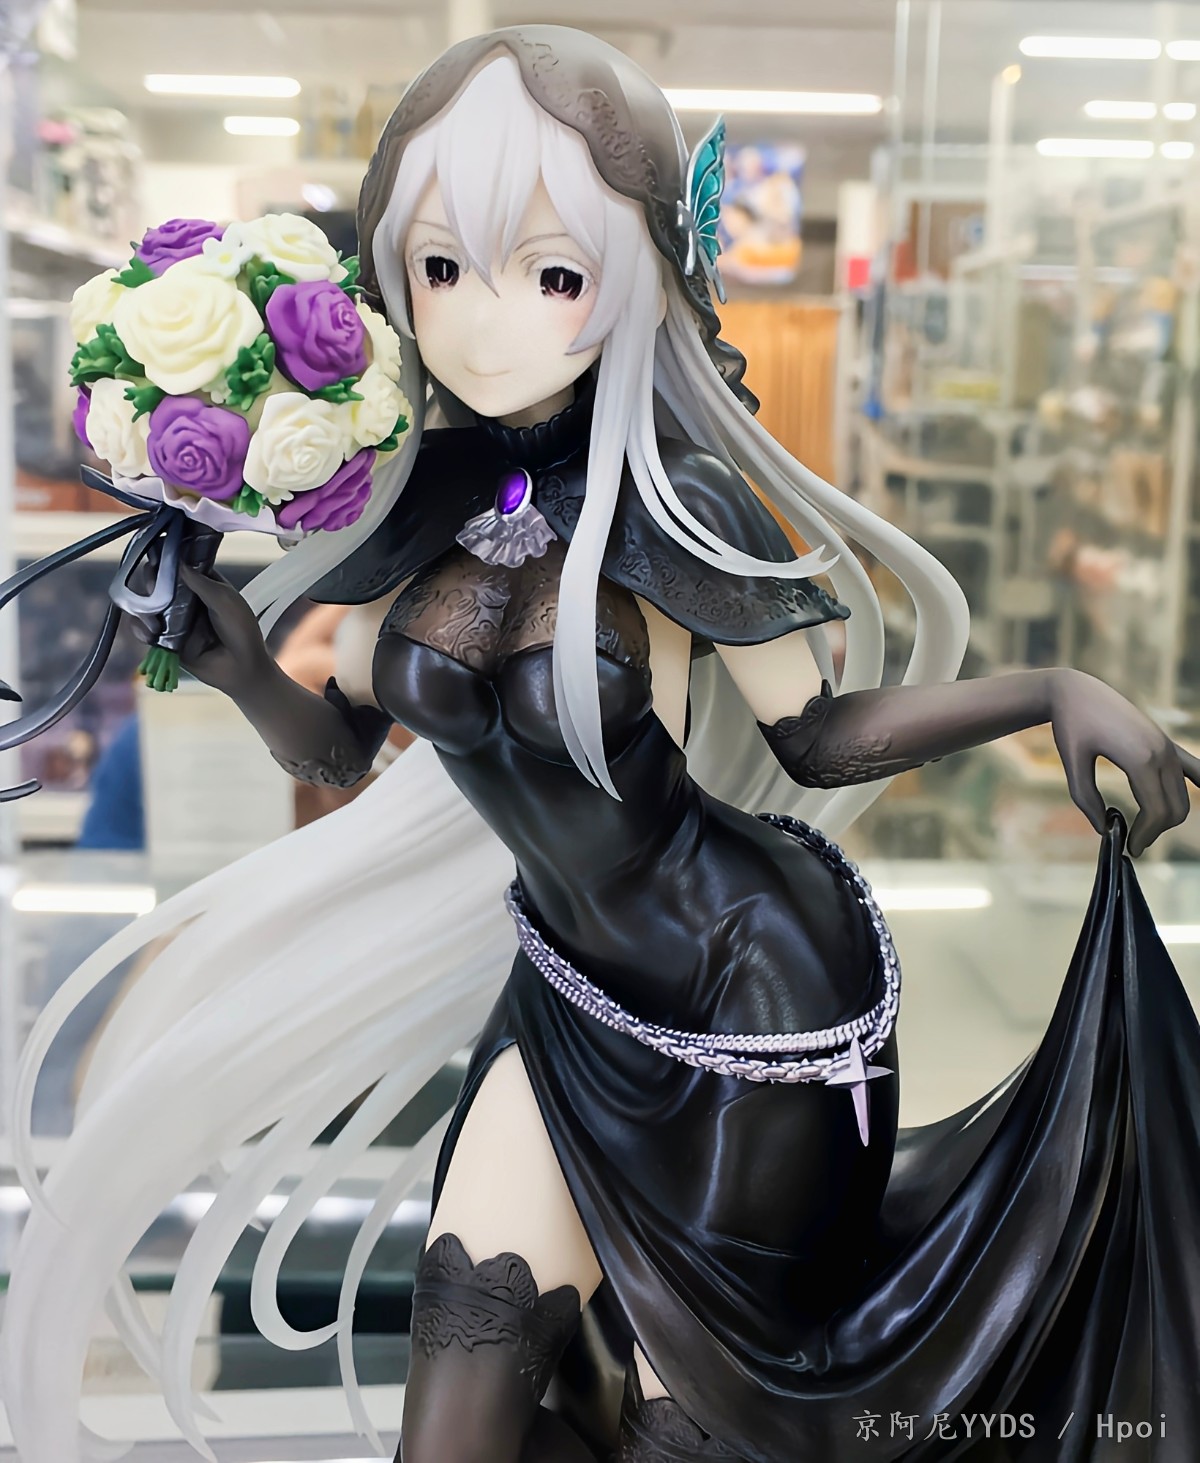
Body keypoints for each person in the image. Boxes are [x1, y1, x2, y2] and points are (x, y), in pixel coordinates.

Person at [4, 27, 1200, 1463]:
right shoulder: (410, 496)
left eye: (554, 274)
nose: (483, 321)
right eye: (441, 268)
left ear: (637, 275)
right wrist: (244, 668)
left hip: (754, 1000)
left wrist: (1046, 688)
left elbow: (817, 739)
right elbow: (335, 753)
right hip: (568, 995)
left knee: (696, 1433)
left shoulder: (678, 502)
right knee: (458, 1413)